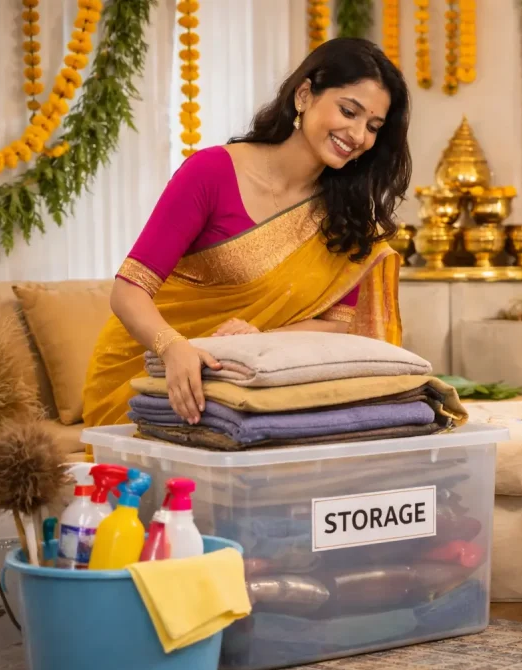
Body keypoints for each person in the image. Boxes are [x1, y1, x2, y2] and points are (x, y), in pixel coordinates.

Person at [82, 37, 411, 428]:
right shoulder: (211, 173)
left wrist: (258, 335)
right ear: (304, 95)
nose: (358, 136)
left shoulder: (348, 217)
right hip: (148, 378)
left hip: (247, 386)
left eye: (373, 127)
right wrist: (174, 348)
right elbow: (129, 290)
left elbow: (336, 324)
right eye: (348, 111)